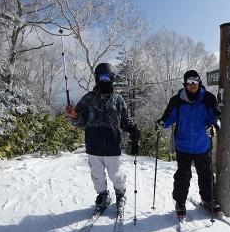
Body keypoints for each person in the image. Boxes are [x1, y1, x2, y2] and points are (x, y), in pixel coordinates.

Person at [65, 62, 140, 210]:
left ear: (112, 79)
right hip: (93, 144)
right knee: (97, 176)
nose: (104, 80)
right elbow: (80, 122)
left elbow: (124, 120)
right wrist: (73, 115)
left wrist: (132, 129)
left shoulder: (118, 99)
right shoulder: (88, 99)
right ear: (96, 78)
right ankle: (103, 195)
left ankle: (120, 194)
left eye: (107, 77)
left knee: (116, 175)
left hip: (112, 143)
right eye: (101, 77)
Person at [156, 70, 221, 217]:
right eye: (189, 82)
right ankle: (180, 202)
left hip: (202, 145)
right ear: (185, 84)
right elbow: (168, 117)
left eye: (195, 82)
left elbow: (216, 117)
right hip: (183, 145)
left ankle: (208, 200)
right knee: (183, 175)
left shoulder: (208, 99)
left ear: (199, 83)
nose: (192, 85)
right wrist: (161, 123)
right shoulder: (177, 100)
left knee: (206, 174)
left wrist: (213, 127)